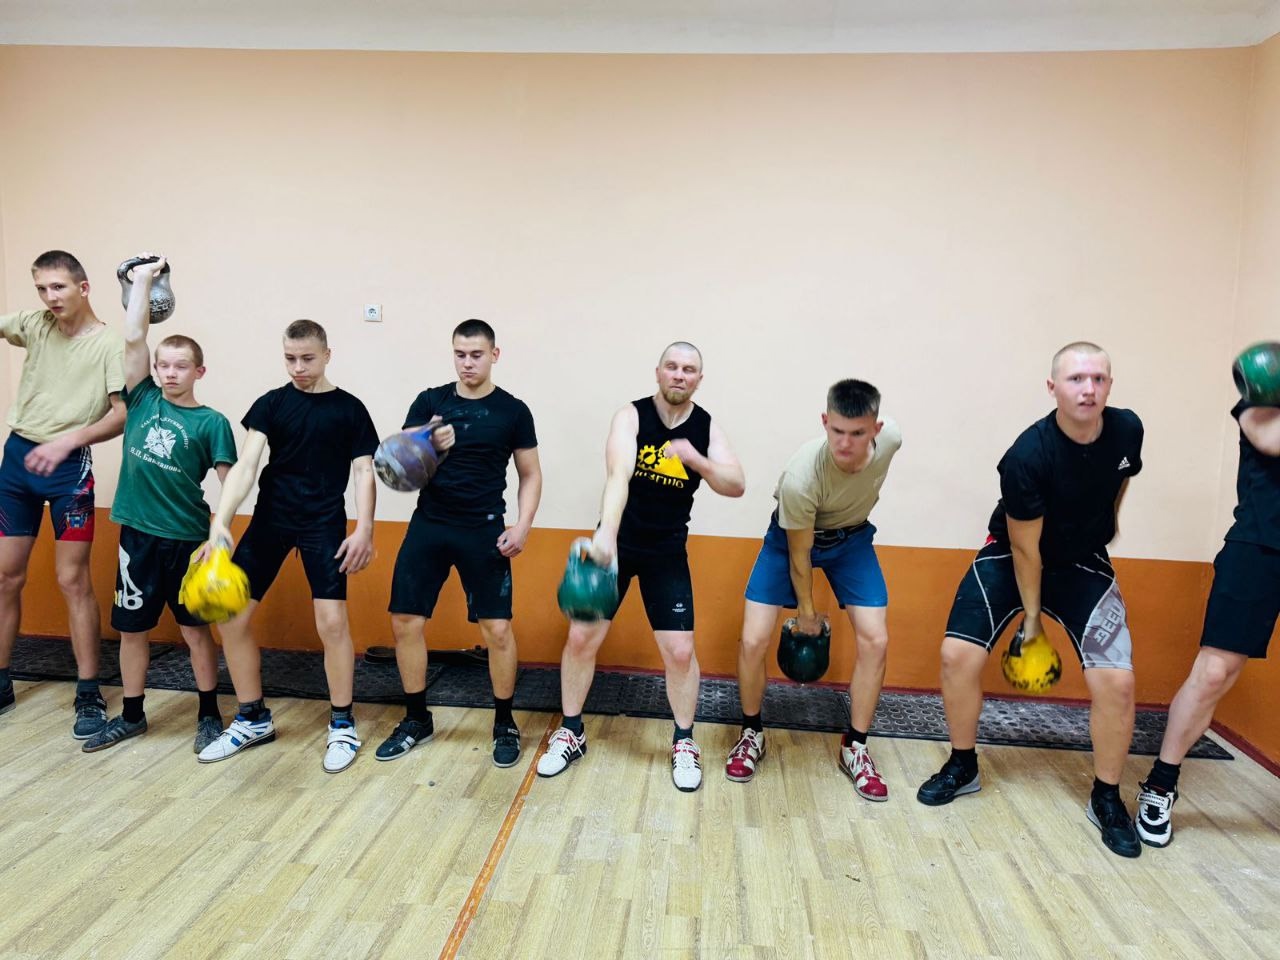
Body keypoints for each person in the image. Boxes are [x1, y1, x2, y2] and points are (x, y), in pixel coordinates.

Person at [916, 342, 1146, 859]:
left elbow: (1120, 480)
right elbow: (1026, 550)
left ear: (1109, 385)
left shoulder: (1128, 429)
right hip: (1014, 555)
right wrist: (1033, 624)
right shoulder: (1027, 456)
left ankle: (1107, 796)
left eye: (1098, 379)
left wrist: (1106, 525)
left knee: (1118, 681)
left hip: (1082, 559)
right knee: (957, 655)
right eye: (1076, 379)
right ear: (1053, 388)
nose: (1088, 389)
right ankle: (963, 764)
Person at [537, 342, 745, 792]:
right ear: (658, 372)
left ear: (699, 379)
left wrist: (696, 459)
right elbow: (618, 476)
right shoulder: (631, 416)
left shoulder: (706, 427)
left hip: (666, 551)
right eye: (672, 366)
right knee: (581, 637)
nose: (679, 375)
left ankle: (684, 741)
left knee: (681, 652)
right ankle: (571, 731)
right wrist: (607, 536)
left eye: (688, 369)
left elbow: (736, 484)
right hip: (617, 542)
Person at [197, 320, 378, 773]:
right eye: (290, 358)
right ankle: (252, 718)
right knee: (231, 616)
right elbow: (246, 465)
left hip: (324, 523)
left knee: (332, 622)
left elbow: (363, 471)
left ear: (327, 355)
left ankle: (342, 723)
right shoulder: (272, 404)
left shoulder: (350, 409)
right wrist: (221, 524)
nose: (298, 367)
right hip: (272, 520)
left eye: (307, 358)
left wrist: (365, 528)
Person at [80, 255, 236, 754]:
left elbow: (232, 483)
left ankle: (209, 715)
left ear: (199, 371)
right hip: (137, 537)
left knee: (196, 632)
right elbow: (133, 338)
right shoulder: (143, 398)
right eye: (163, 365)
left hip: (187, 541)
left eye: (180, 366)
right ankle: (132, 715)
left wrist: (220, 534)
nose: (170, 373)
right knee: (132, 631)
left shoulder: (212, 423)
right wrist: (143, 281)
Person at [376, 319, 542, 768]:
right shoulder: (431, 402)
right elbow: (398, 463)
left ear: (494, 355)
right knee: (405, 621)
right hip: (430, 524)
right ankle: (416, 719)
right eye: (460, 354)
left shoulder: (513, 411)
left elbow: (530, 474)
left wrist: (523, 526)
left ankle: (504, 722)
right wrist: (427, 440)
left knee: (497, 630)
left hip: (483, 529)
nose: (467, 363)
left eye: (476, 355)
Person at [726, 379, 902, 799]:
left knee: (876, 640)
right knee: (753, 639)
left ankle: (855, 746)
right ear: (825, 421)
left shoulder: (892, 440)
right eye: (837, 430)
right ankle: (751, 733)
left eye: (857, 433)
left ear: (876, 429)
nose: (845, 443)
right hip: (790, 540)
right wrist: (806, 613)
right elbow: (799, 555)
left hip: (852, 541)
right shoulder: (801, 477)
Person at [1135, 384, 1280, 846]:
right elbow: (1272, 439)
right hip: (1259, 549)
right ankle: (1161, 784)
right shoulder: (1262, 396)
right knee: (1215, 672)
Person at [0, 251, 125, 738]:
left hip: (69, 468)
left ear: (83, 288)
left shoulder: (109, 344)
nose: (50, 297)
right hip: (18, 463)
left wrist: (67, 442)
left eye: (58, 287)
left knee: (72, 580)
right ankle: (2, 681)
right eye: (42, 288)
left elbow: (120, 415)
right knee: (6, 577)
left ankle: (88, 692)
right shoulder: (35, 324)